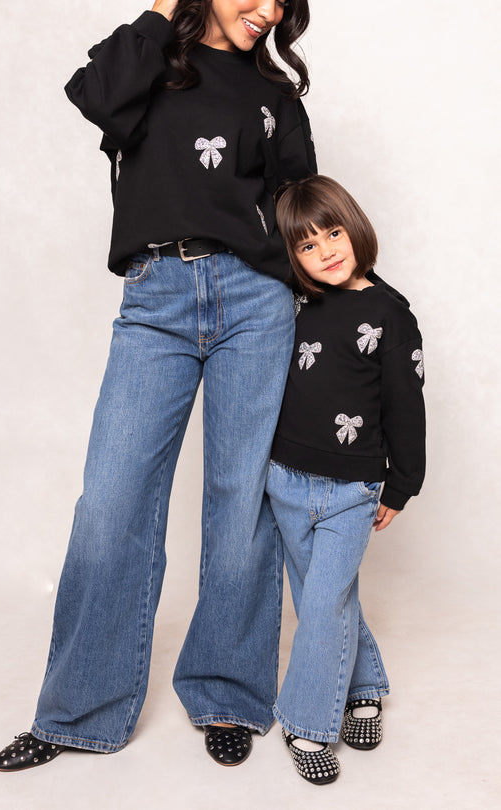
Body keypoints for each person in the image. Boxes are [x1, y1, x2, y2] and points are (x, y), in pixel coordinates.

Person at [0, 0, 316, 772]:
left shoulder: (274, 98)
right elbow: (93, 95)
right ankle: (78, 711)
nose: (269, 10)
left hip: (257, 301)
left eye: (284, 1)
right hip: (155, 297)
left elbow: (303, 208)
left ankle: (229, 694)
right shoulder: (146, 64)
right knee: (112, 501)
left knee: (241, 501)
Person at [266, 175, 425, 784]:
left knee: (324, 602)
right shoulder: (295, 302)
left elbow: (406, 407)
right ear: (292, 257)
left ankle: (307, 724)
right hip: (284, 479)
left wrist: (401, 485)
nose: (326, 250)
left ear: (354, 228)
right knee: (320, 599)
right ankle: (365, 690)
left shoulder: (389, 315)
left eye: (333, 232)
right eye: (307, 245)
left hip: (351, 491)